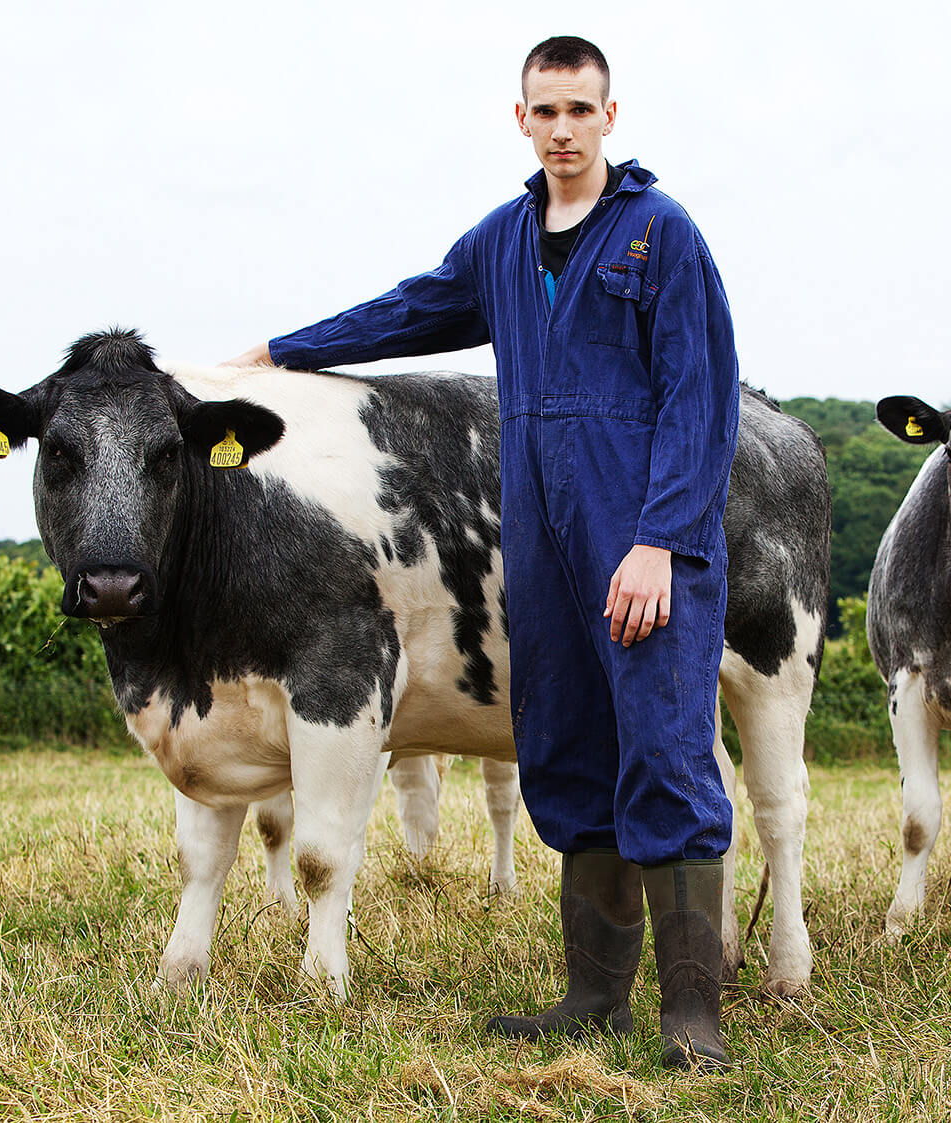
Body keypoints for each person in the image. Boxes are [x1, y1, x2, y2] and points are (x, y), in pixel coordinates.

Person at [224, 35, 740, 1071]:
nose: (561, 130)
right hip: (538, 549)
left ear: (608, 116)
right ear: (519, 119)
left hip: (642, 541)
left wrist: (658, 543)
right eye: (543, 112)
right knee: (569, 752)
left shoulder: (659, 236)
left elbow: (701, 399)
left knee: (665, 755)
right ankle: (592, 999)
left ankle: (692, 1015)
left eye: (578, 111)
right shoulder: (504, 241)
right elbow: (410, 309)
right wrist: (285, 350)